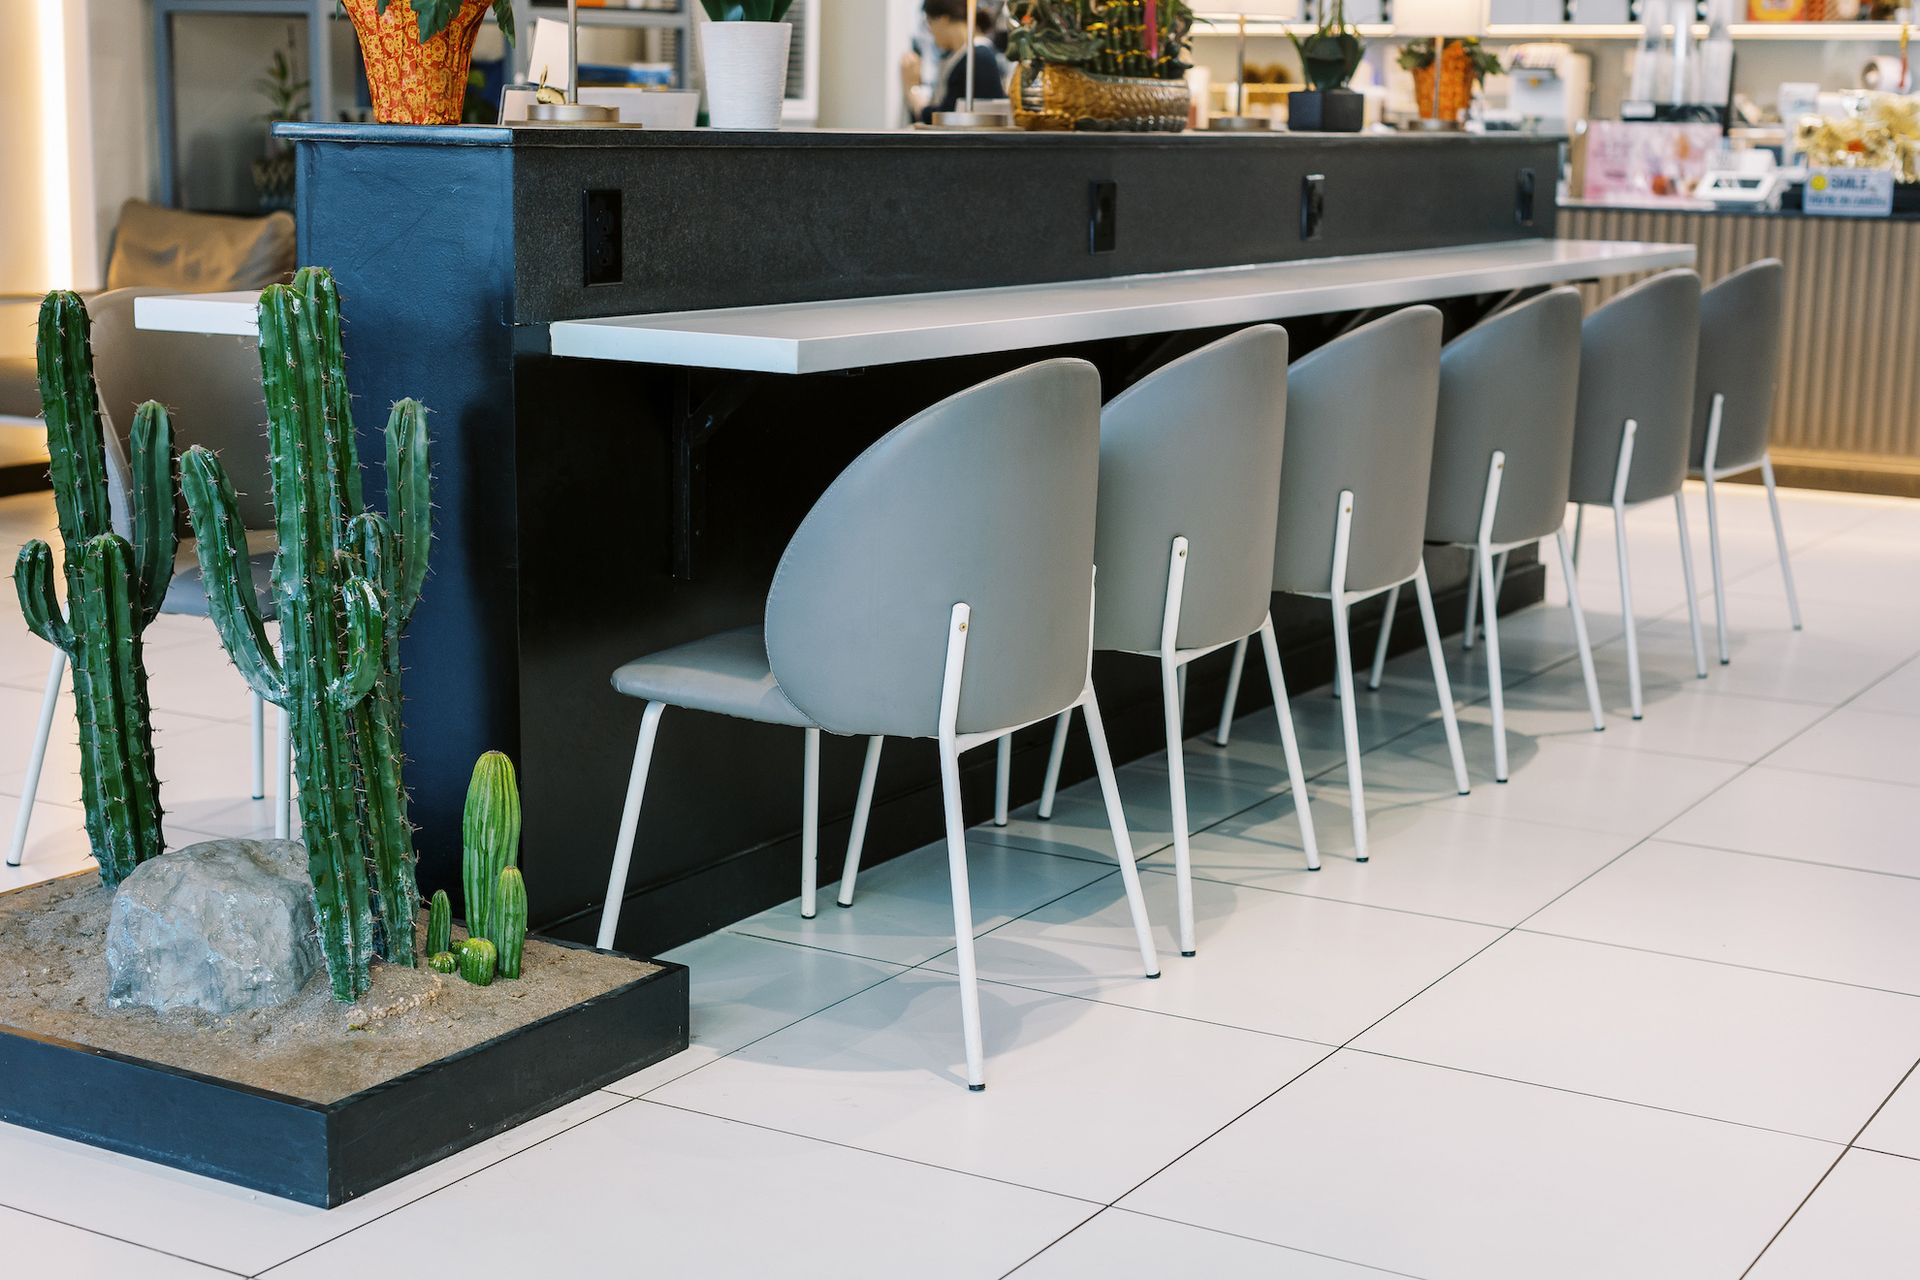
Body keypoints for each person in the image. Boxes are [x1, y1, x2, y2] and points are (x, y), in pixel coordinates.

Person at [900, 0, 1005, 125]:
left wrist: (912, 89)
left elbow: (948, 117)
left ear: (943, 20)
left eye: (929, 23)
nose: (930, 32)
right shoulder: (961, 56)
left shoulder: (977, 58)